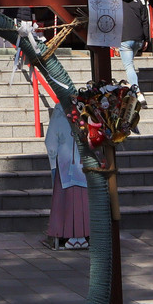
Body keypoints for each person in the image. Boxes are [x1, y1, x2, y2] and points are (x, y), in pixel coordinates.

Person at [44, 106, 89, 249]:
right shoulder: (88, 107)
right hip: (85, 162)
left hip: (64, 162)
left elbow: (51, 140)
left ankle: (63, 234)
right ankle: (86, 235)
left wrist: (53, 162)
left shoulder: (60, 110)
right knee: (85, 199)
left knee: (64, 199)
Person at [116, 0, 149, 102]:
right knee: (130, 62)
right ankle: (131, 83)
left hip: (125, 39)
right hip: (138, 39)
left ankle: (137, 92)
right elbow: (145, 21)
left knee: (129, 65)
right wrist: (146, 39)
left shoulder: (116, 2)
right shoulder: (138, 3)